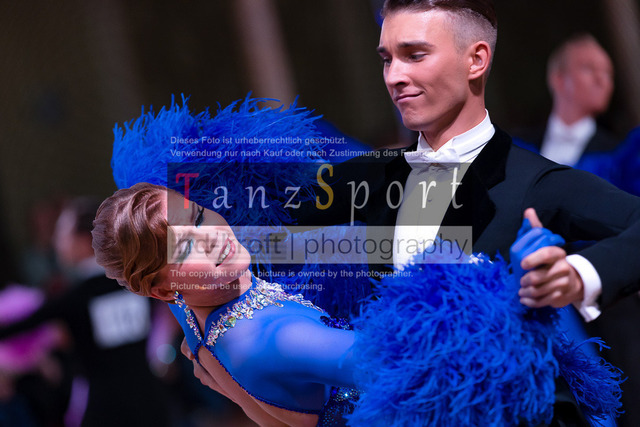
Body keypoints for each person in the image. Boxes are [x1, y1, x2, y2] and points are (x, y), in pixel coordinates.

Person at [294, 0, 640, 424]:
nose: (394, 76)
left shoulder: (535, 182)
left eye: (414, 55)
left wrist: (577, 275)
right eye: (387, 59)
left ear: (476, 60)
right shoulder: (369, 178)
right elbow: (260, 230)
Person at [91, 182, 359, 427]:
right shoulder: (273, 339)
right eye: (185, 248)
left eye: (198, 217)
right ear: (163, 291)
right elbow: (384, 359)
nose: (211, 237)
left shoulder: (188, 306)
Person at [0, 197, 171, 427]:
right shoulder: (138, 284)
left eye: (62, 233)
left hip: (106, 411)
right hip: (152, 403)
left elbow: (21, 325)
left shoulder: (76, 298)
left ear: (84, 240)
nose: (57, 243)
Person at [516, 33, 618, 168]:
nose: (601, 79)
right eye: (589, 68)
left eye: (608, 73)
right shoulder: (518, 146)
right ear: (558, 79)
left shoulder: (617, 155)